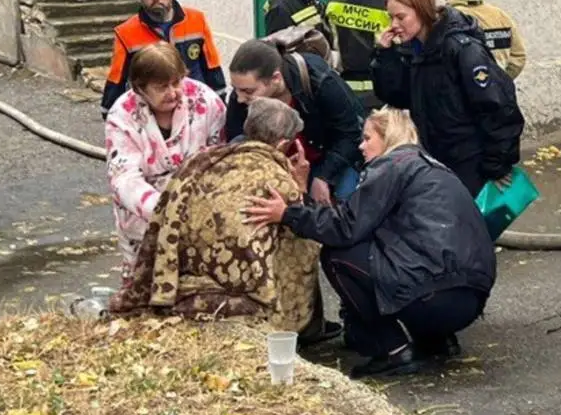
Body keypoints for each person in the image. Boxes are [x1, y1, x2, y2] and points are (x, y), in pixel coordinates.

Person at [245, 108, 496, 378]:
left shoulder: (392, 166)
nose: (361, 146)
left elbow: (345, 228)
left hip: (432, 296)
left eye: (367, 138)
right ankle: (437, 340)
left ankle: (394, 349)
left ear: (387, 138)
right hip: (470, 297)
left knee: (338, 256)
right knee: (397, 256)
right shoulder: (431, 167)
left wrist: (287, 213)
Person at [107, 98, 339, 347]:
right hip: (240, 294)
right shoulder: (279, 182)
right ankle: (305, 331)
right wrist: (299, 187)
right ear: (284, 144)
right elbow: (302, 251)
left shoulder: (201, 162)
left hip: (182, 280)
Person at [370, 0, 523, 197]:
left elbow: (498, 108)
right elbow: (397, 97)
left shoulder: (461, 49)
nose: (394, 25)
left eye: (401, 17)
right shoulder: (414, 50)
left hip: (470, 165)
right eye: (391, 17)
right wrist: (385, 56)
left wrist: (496, 165)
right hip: (435, 160)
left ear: (422, 11)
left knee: (467, 228)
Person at [104, 42, 227, 281]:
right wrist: (166, 212)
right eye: (161, 87)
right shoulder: (121, 116)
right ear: (140, 88)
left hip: (200, 215)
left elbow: (222, 158)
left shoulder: (205, 101)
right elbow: (124, 178)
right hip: (144, 221)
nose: (173, 92)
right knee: (146, 292)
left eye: (177, 82)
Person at [225, 39, 364, 205]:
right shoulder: (241, 97)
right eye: (235, 89)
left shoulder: (319, 81)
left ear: (276, 78)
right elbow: (237, 144)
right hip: (274, 165)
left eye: (248, 91)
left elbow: (350, 132)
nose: (239, 98)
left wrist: (324, 177)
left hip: (328, 159)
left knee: (347, 202)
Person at [101, 0, 227, 117]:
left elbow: (212, 66)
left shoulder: (197, 20)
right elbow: (117, 78)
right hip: (152, 111)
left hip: (194, 107)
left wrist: (221, 104)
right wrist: (110, 114)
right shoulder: (126, 32)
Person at [327, 0, 401, 113]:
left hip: (341, 90)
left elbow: (326, 43)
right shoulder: (394, 6)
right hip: (380, 94)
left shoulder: (337, 1)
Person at [440, 0, 527, 80]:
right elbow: (518, 57)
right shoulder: (500, 16)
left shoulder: (447, 18)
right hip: (497, 95)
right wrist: (499, 82)